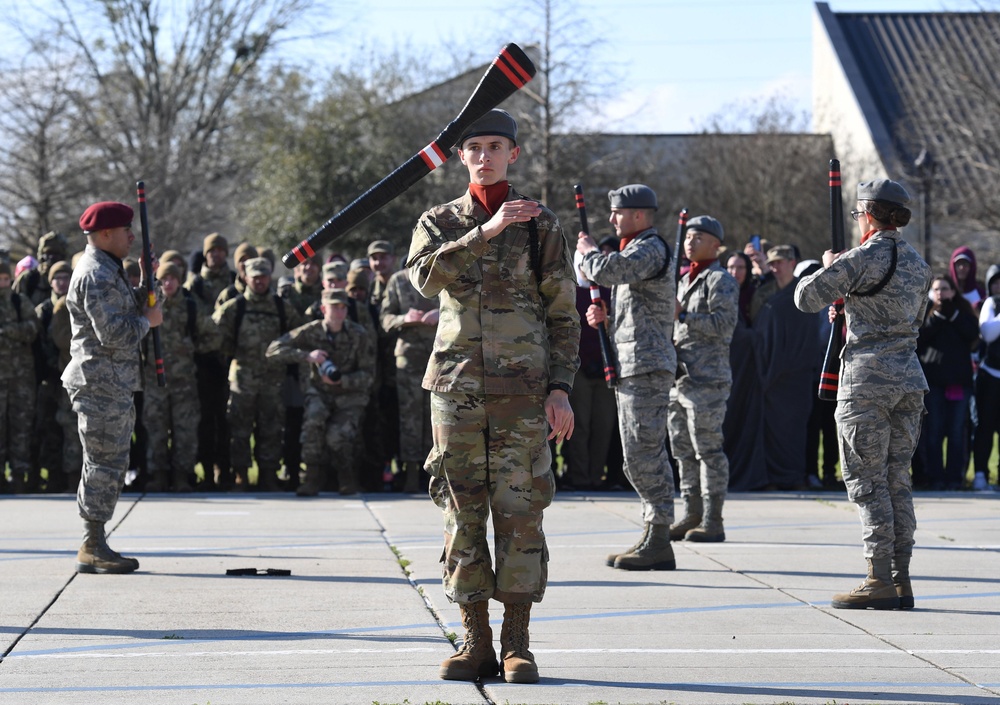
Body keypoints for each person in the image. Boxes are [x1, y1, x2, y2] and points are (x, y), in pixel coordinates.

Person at [406, 109, 579, 684]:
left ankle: (516, 642)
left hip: (524, 396)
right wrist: (485, 232)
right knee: (461, 512)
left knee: (521, 513)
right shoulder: (438, 221)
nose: (484, 156)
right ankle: (474, 638)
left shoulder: (542, 225)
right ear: (461, 157)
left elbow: (562, 315)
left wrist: (560, 389)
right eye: (474, 147)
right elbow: (425, 279)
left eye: (495, 146)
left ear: (514, 154)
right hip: (457, 391)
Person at [794, 179, 931, 610]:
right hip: (909, 378)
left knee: (867, 483)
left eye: (858, 215)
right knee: (897, 481)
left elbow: (803, 297)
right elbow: (913, 316)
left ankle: (878, 577)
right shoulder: (919, 264)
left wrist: (831, 267)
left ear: (869, 214)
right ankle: (901, 576)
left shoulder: (861, 258)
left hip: (867, 380)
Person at [576, 184, 677, 568]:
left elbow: (609, 270)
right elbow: (640, 310)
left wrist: (587, 254)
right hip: (633, 364)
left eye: (617, 212)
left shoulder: (649, 247)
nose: (611, 219)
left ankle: (660, 537)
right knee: (636, 455)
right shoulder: (637, 249)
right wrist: (608, 320)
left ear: (637, 214)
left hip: (647, 366)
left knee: (644, 452)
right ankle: (653, 532)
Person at [63, 201, 162, 573]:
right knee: (103, 463)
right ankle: (92, 543)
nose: (132, 236)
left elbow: (137, 310)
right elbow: (116, 332)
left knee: (112, 462)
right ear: (105, 234)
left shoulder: (110, 269)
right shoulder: (95, 274)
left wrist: (145, 281)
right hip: (99, 382)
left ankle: (96, 540)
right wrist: (147, 322)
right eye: (126, 230)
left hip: (113, 382)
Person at [667, 216, 739, 542]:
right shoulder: (683, 279)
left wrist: (683, 314)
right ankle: (691, 512)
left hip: (707, 379)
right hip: (681, 377)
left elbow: (724, 325)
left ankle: (713, 519)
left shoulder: (719, 280)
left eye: (698, 238)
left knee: (708, 451)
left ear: (715, 244)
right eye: (688, 237)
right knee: (682, 449)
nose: (689, 243)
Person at [266, 288, 374, 495]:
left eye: (343, 307)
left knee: (337, 435)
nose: (339, 312)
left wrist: (343, 380)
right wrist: (307, 356)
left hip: (349, 395)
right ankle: (312, 478)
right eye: (334, 307)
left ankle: (346, 478)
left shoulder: (359, 334)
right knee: (313, 423)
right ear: (323, 308)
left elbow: (369, 375)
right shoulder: (311, 331)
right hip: (319, 392)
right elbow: (273, 350)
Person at [213, 256, 302, 491]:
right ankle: (241, 475)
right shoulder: (234, 308)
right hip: (243, 380)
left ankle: (268, 475)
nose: (260, 281)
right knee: (239, 429)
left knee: (272, 428)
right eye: (255, 277)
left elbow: (297, 337)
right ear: (245, 277)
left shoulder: (283, 308)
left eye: (264, 276)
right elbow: (217, 338)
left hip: (274, 381)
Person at [143, 262, 220, 492]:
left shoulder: (190, 307)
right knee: (155, 429)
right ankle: (158, 475)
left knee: (185, 430)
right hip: (154, 380)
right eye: (164, 278)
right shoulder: (150, 305)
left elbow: (214, 334)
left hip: (183, 382)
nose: (168, 283)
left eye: (173, 279)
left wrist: (195, 347)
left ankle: (181, 476)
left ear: (179, 281)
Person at [754, 245, 822, 491]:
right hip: (771, 379)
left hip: (794, 379)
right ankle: (773, 477)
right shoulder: (768, 294)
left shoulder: (802, 294)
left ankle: (793, 477)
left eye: (780, 262)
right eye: (772, 263)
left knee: (792, 432)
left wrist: (780, 368)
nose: (775, 267)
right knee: (772, 432)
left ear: (792, 263)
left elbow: (805, 341)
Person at [916, 275, 979, 490]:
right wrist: (936, 319)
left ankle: (954, 478)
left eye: (944, 289)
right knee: (933, 432)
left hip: (959, 384)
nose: (940, 293)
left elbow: (972, 334)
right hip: (933, 383)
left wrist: (953, 316)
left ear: (953, 291)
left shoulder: (963, 313)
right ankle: (935, 478)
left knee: (955, 432)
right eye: (936, 289)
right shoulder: (925, 313)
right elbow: (918, 338)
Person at [560, 251, 616, 491]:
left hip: (606, 369)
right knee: (580, 425)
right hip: (579, 368)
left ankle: (596, 475)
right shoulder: (569, 291)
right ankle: (578, 475)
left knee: (603, 425)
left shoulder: (609, 292)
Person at [379, 268, 439, 493]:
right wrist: (405, 318)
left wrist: (441, 314)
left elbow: (466, 306)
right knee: (410, 416)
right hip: (409, 359)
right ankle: (412, 472)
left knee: (437, 415)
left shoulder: (445, 270)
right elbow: (385, 319)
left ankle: (435, 472)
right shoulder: (399, 280)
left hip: (440, 355)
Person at [186, 233, 236, 489]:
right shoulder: (195, 285)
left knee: (228, 419)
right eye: (211, 251)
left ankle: (225, 469)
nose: (215, 255)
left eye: (220, 250)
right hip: (204, 360)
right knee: (205, 419)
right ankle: (206, 469)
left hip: (229, 358)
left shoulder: (236, 281)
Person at [722, 250, 768, 491]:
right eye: (731, 267)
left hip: (749, 366)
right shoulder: (720, 291)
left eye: (740, 267)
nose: (735, 272)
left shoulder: (754, 293)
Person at [0, 260, 40, 493]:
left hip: (21, 379)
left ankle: (19, 475)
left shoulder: (19, 302)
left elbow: (33, 329)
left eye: (6, 279)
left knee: (21, 428)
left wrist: (6, 331)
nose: (3, 284)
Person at [972, 264, 1000, 492]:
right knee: (985, 428)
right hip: (990, 376)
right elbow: (988, 333)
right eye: (995, 282)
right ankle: (981, 474)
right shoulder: (991, 304)